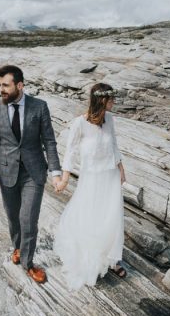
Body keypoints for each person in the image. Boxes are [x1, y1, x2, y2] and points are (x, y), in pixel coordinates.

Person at [0, 65, 62, 284]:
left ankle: (28, 262)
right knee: (13, 218)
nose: (1, 90)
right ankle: (17, 246)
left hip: (33, 172)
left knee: (28, 219)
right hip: (6, 171)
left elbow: (49, 142)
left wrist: (56, 172)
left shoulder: (40, 107)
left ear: (20, 85)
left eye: (5, 85)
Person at [53, 83, 127, 291]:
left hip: (110, 176)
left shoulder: (110, 119)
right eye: (111, 99)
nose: (114, 102)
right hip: (91, 179)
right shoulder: (80, 123)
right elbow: (70, 152)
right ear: (102, 100)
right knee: (91, 217)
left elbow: (114, 145)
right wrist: (65, 178)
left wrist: (121, 167)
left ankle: (111, 259)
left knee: (111, 218)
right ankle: (91, 260)